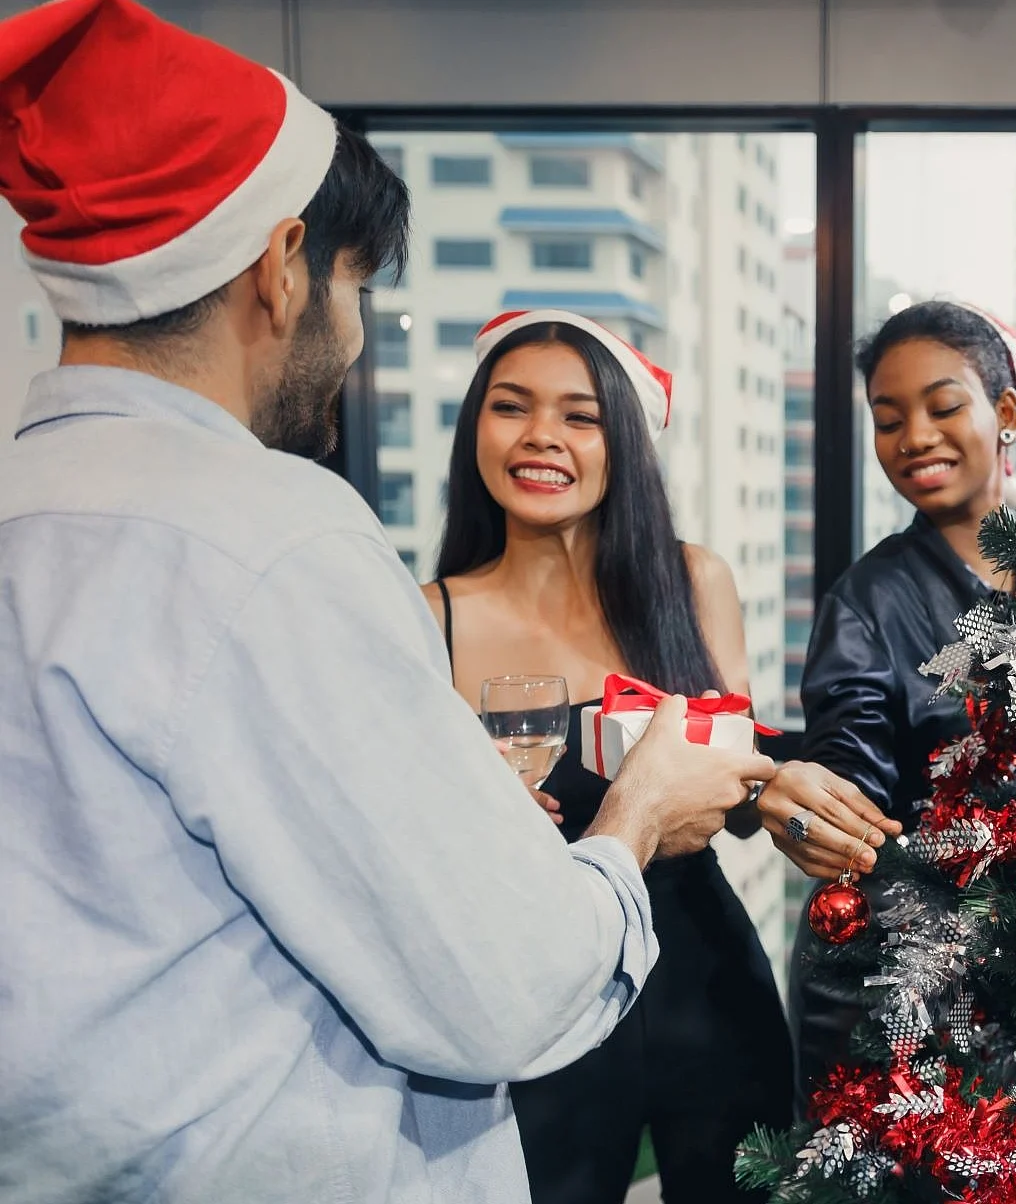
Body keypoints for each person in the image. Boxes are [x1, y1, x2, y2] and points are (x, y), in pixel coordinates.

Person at [0, 5, 772, 1202]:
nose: (356, 335)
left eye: (580, 413)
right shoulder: (277, 543)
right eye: (354, 284)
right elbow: (501, 982)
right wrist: (632, 818)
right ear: (280, 266)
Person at [424, 309, 792, 1204]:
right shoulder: (431, 615)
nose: (542, 435)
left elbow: (738, 796)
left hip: (705, 982)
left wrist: (779, 788)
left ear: (623, 443)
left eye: (579, 416)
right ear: (476, 427)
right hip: (544, 997)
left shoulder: (695, 582)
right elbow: (421, 839)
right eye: (511, 407)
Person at [757, 300, 1016, 1091]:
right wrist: (820, 807)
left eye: (945, 406)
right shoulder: (866, 600)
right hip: (893, 975)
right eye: (888, 418)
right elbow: (849, 751)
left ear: (1006, 413)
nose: (914, 437)